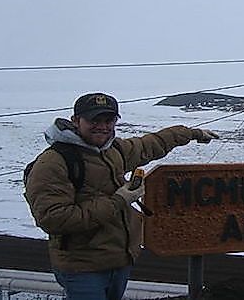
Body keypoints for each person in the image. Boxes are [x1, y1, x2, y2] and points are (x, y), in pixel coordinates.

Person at [24, 92, 219, 300]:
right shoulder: (54, 163)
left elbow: (150, 144)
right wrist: (119, 201)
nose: (102, 126)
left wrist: (192, 134)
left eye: (108, 120)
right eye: (94, 120)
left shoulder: (112, 150)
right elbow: (54, 219)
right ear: (75, 121)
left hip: (119, 262)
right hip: (82, 268)